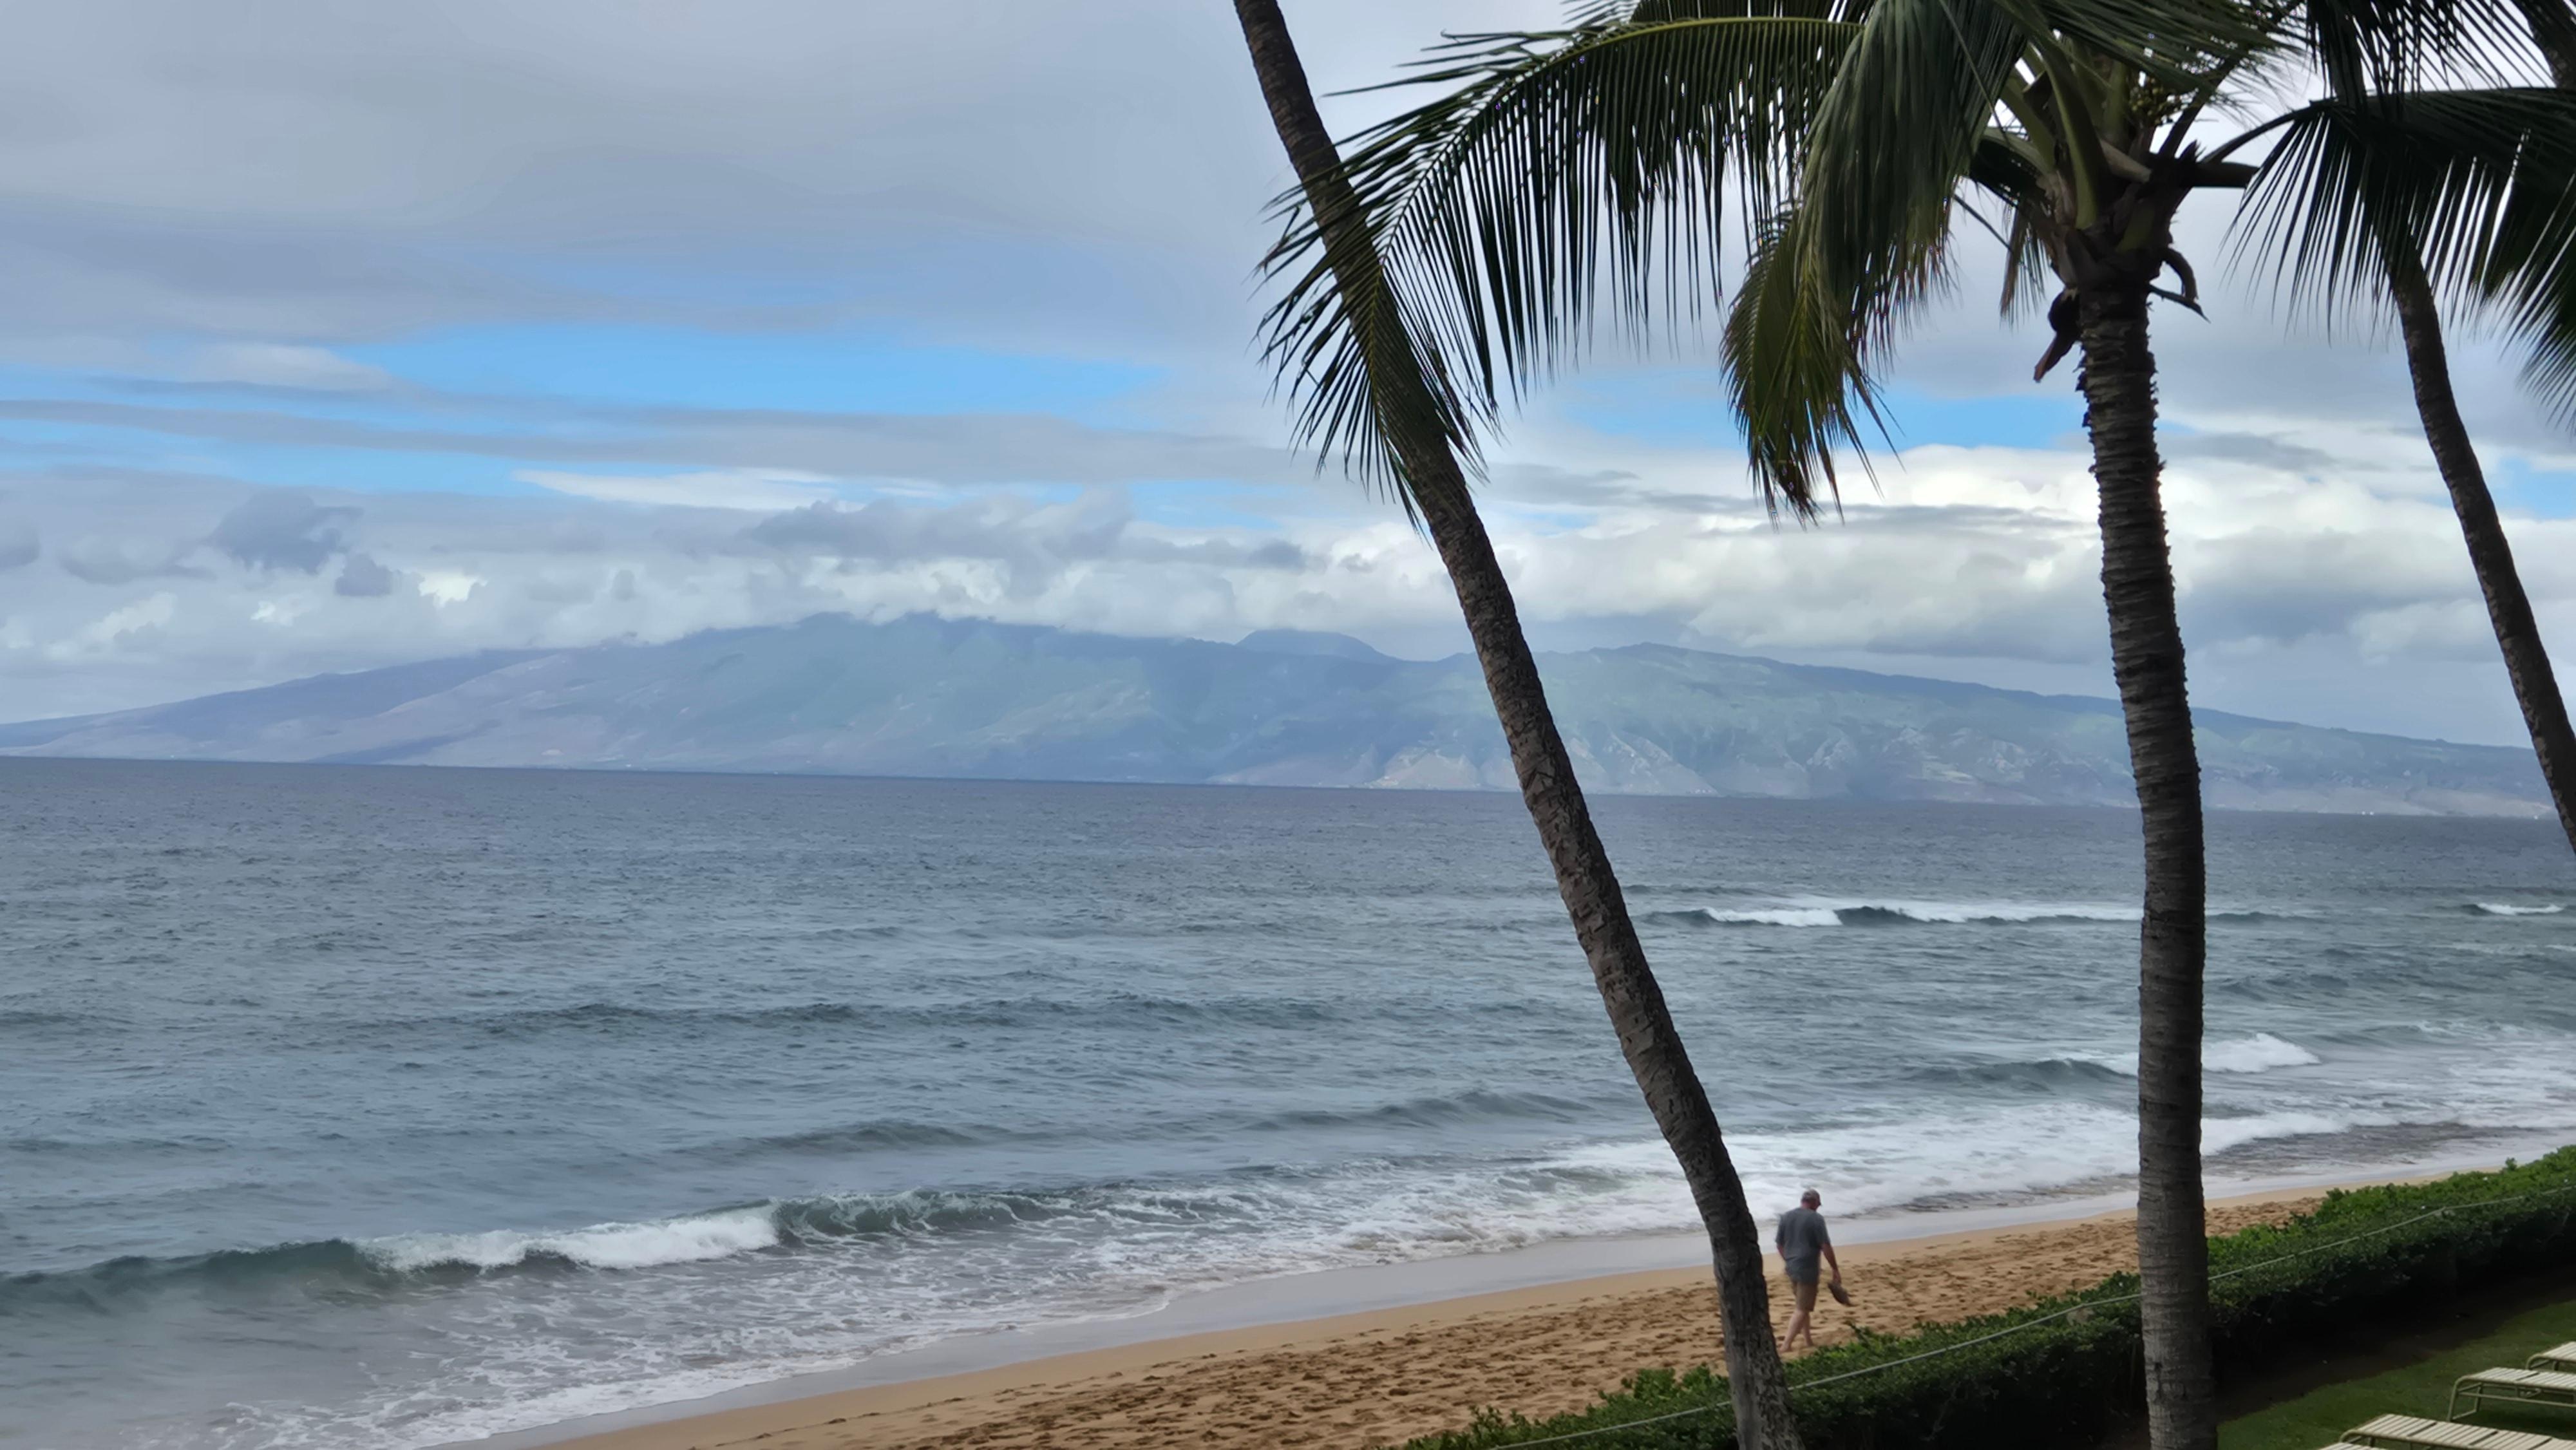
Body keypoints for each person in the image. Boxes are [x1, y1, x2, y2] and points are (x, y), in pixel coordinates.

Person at [1775, 1188, 1841, 1350]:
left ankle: (1808, 1340)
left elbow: (1779, 1244)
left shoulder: (1786, 1217)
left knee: (1802, 1305)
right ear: (1814, 1203)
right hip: (1808, 1267)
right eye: (1818, 1204)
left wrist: (1788, 1260)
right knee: (1802, 1309)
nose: (1819, 1207)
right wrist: (1835, 1269)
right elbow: (1825, 1245)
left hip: (1791, 1267)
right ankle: (1786, 1344)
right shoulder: (1816, 1219)